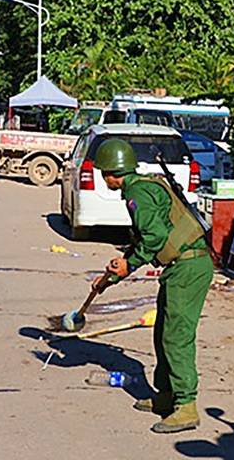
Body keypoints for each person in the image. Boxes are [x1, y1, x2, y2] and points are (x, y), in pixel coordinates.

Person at [92, 136, 213, 434]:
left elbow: (155, 237)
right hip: (181, 266)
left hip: (188, 267)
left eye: (102, 173)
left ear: (110, 173)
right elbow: (147, 239)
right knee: (163, 333)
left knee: (176, 336)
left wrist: (130, 264)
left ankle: (186, 406)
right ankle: (167, 396)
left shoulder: (138, 193)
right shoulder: (142, 186)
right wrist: (115, 274)